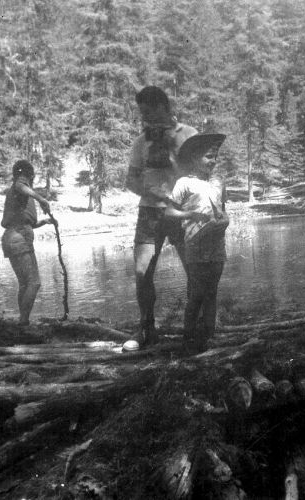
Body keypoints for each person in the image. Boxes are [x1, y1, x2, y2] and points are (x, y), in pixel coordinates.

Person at [125, 86, 197, 349]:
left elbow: (200, 174)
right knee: (142, 271)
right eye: (141, 113)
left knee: (194, 270)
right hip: (150, 212)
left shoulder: (188, 135)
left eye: (147, 112)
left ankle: (195, 327)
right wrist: (148, 191)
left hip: (182, 210)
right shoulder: (140, 142)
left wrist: (171, 149)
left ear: (163, 108)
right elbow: (130, 180)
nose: (144, 118)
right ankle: (146, 328)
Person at [165, 133, 229, 353]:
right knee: (197, 293)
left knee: (212, 292)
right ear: (194, 159)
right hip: (194, 244)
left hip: (216, 244)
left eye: (215, 157)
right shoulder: (184, 183)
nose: (213, 161)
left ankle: (209, 336)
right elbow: (168, 211)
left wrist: (224, 221)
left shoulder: (219, 182)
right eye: (208, 157)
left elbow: (222, 208)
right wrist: (189, 215)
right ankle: (189, 337)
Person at [1, 160, 53, 326]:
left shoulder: (17, 193)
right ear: (30, 175)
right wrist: (41, 199)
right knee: (34, 282)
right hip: (18, 238)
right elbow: (20, 185)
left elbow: (24, 221)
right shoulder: (20, 185)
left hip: (12, 237)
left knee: (25, 284)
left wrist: (44, 222)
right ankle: (23, 322)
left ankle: (23, 321)